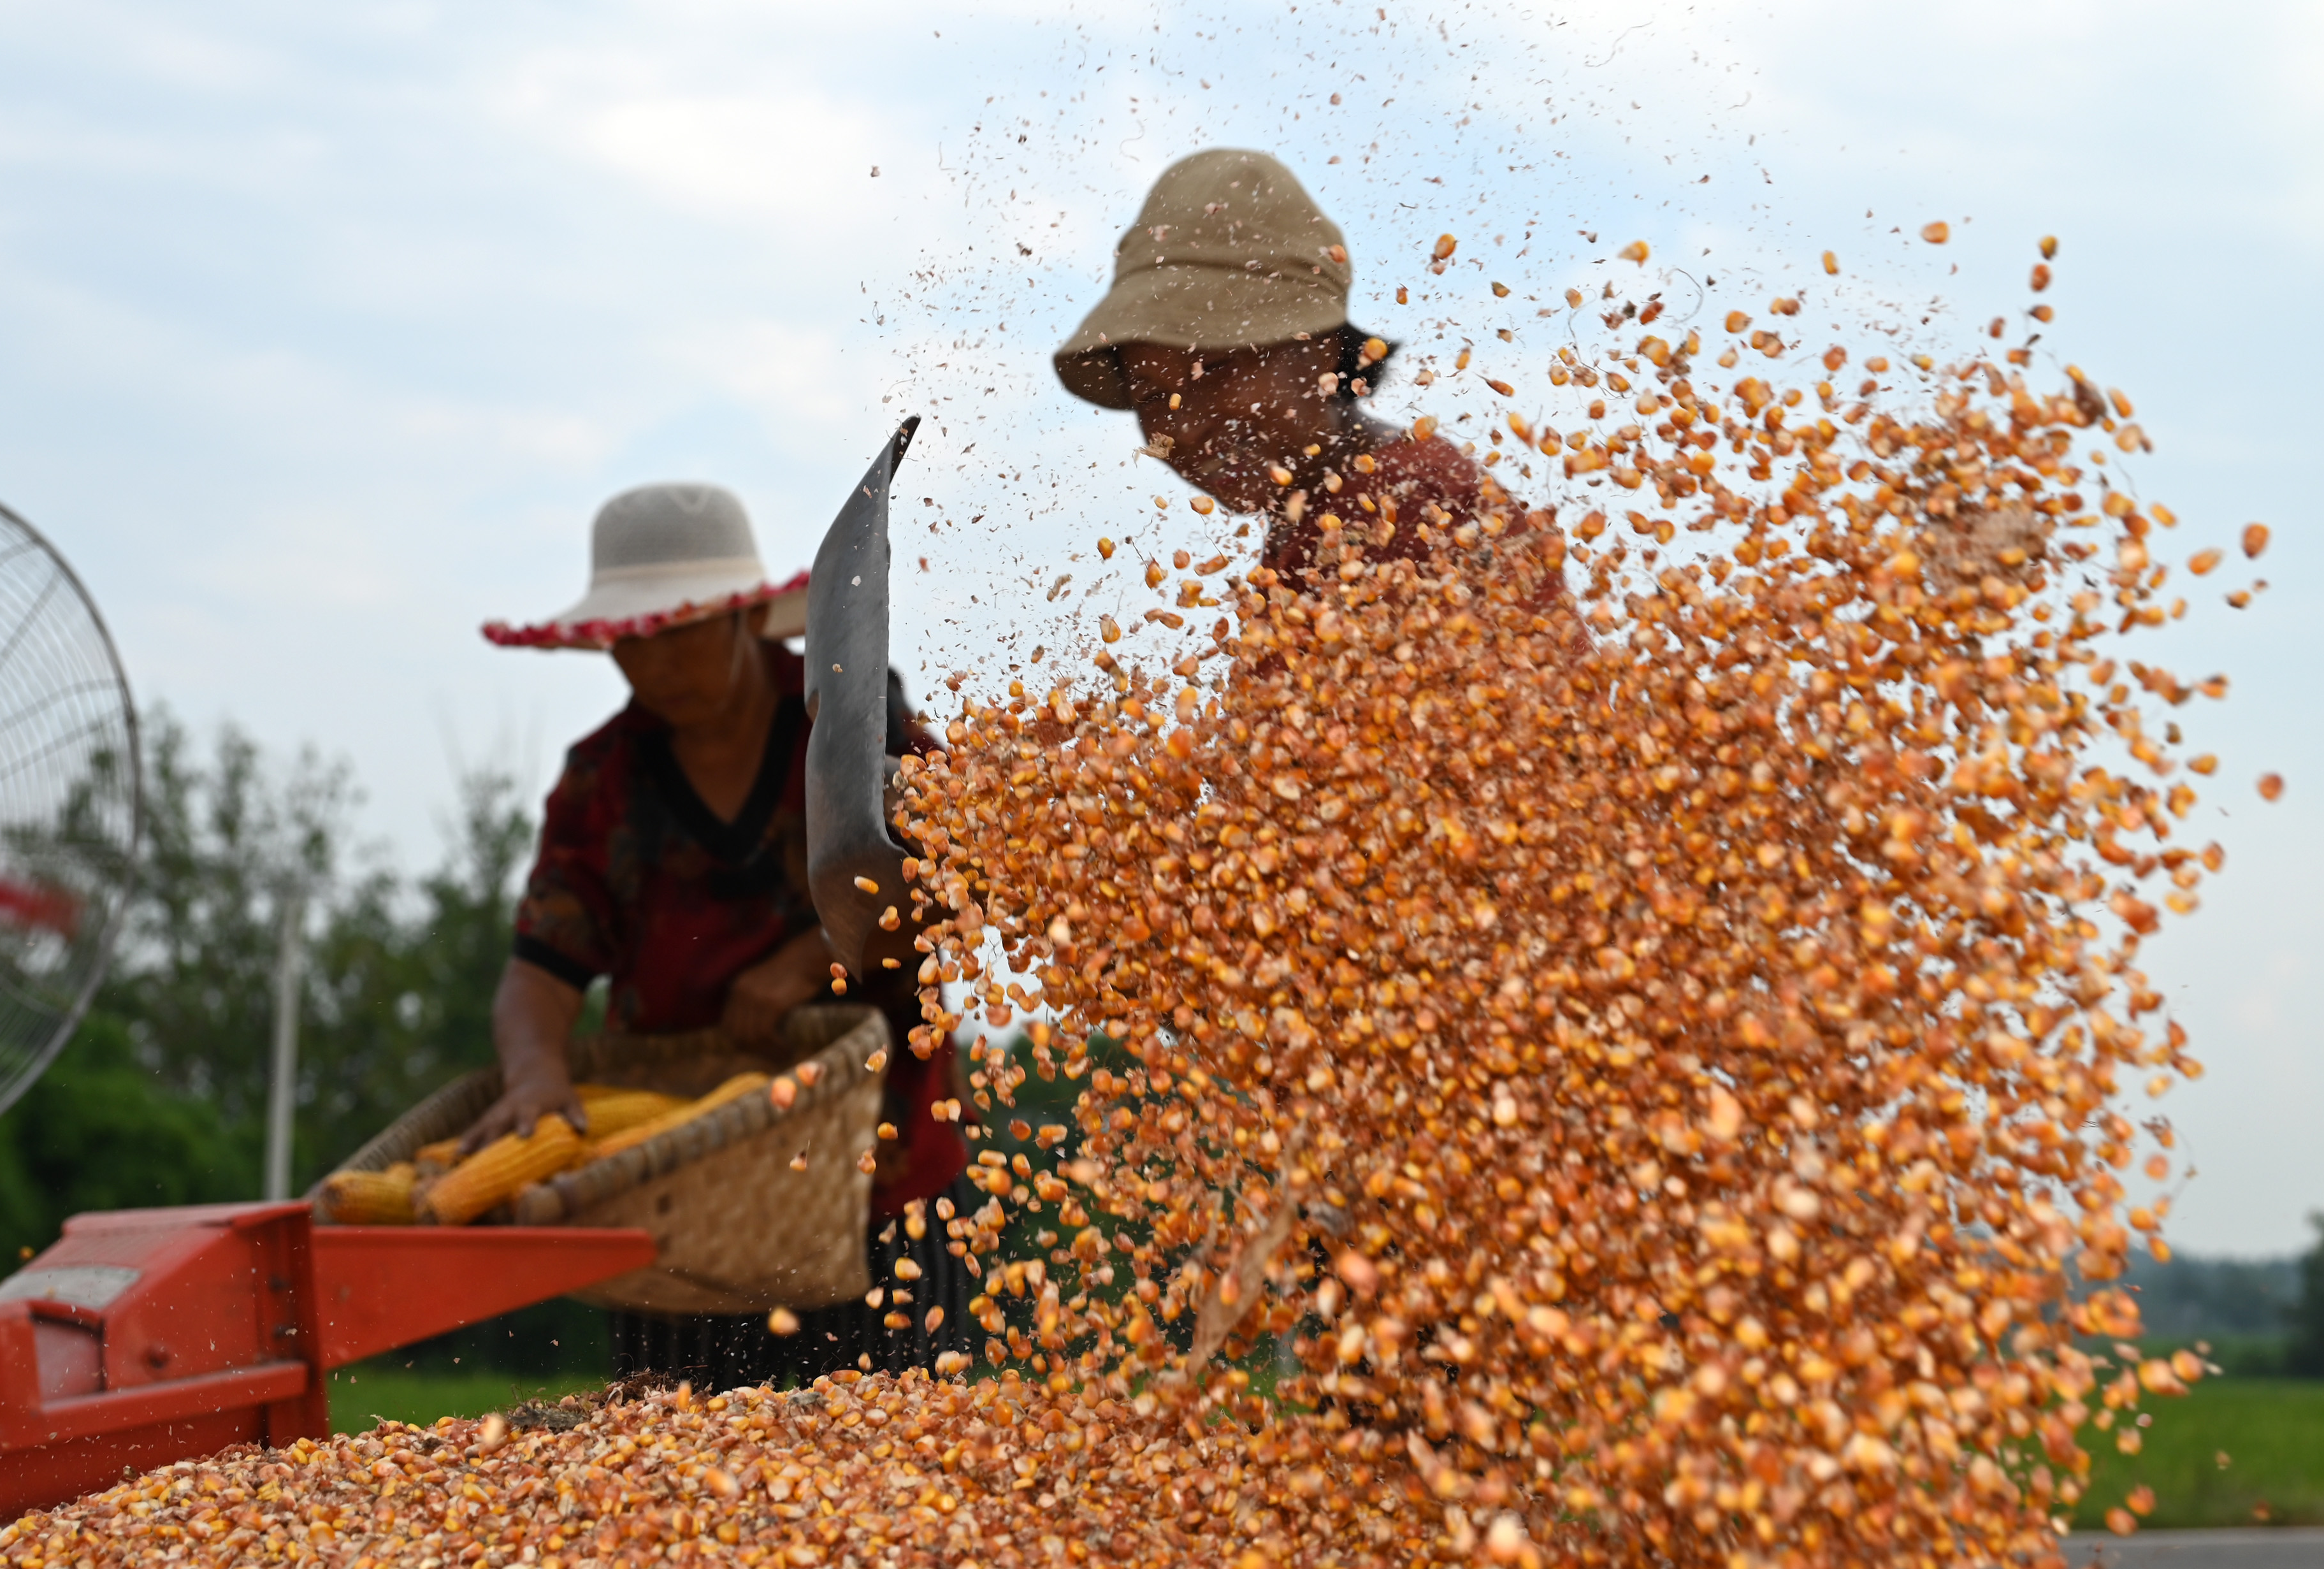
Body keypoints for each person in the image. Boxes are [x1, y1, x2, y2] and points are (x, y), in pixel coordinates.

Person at [472, 482, 974, 1388]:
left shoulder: (854, 719)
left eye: (681, 633)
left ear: (745, 618)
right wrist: (537, 1072)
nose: (655, 663)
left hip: (877, 1175)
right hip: (687, 1204)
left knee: (900, 1456)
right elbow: (539, 969)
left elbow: (956, 878)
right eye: (633, 640)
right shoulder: (603, 780)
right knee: (678, 1456)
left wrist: (813, 959)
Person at [1054, 147, 1569, 601]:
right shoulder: (1321, 511)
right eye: (1151, 394)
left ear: (1319, 348)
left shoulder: (1412, 508)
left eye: (1213, 370)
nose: (1184, 427)